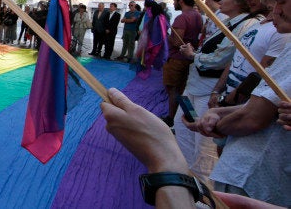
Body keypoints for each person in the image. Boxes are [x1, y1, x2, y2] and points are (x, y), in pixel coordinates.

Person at [183, 0, 291, 207]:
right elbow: (262, 104)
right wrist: (219, 110)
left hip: (255, 176)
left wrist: (212, 123)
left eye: (281, 1)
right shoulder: (262, 28)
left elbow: (254, 117)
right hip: (247, 169)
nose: (275, 11)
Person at [101, 88, 285, 209]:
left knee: (201, 160)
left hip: (257, 175)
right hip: (244, 174)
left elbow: (253, 116)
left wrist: (166, 163)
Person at [174, 0, 258, 185]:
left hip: (208, 90)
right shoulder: (228, 22)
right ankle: (185, 177)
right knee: (182, 127)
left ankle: (202, 191)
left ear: (238, 2)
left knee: (203, 144)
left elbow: (221, 58)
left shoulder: (247, 25)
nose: (221, 1)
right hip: (195, 86)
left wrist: (194, 55)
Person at [161, 0, 203, 127]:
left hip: (177, 59)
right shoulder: (197, 16)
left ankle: (171, 118)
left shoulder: (182, 17)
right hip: (188, 58)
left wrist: (165, 35)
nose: (173, 3)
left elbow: (177, 41)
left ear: (181, 0)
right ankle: (180, 116)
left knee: (173, 89)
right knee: (182, 89)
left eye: (174, 0)